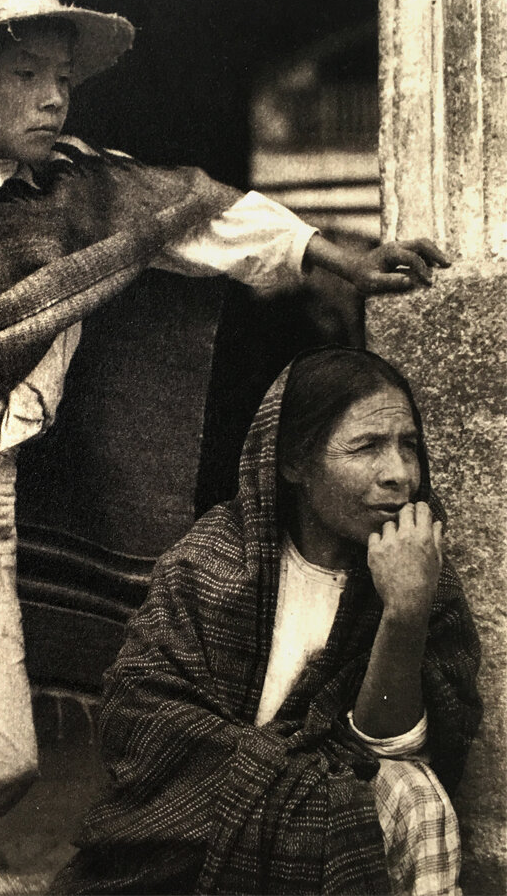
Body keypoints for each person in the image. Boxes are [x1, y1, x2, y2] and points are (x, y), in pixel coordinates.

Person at [0, 0, 450, 896]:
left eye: (62, 78)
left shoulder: (89, 190)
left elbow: (208, 215)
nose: (51, 97)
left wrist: (334, 256)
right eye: (26, 73)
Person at [53, 346, 482, 896]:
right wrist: (290, 785)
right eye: (368, 447)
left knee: (417, 800)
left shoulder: (422, 574)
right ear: (294, 462)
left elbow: (392, 749)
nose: (399, 474)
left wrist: (405, 611)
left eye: (409, 446)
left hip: (334, 806)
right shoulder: (211, 564)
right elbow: (140, 720)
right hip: (195, 828)